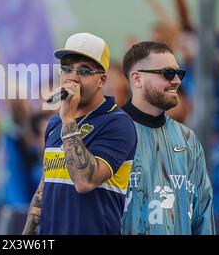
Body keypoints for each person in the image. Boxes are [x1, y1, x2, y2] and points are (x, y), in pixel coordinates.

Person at [23, 32, 137, 235]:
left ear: (102, 80)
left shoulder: (118, 123)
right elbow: (44, 188)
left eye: (83, 70)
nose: (72, 77)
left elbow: (85, 181)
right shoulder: (54, 123)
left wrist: (69, 120)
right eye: (66, 68)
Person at [121, 41, 215, 235]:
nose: (177, 81)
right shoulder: (109, 134)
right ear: (137, 79)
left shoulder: (187, 138)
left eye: (179, 74)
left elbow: (203, 214)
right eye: (168, 73)